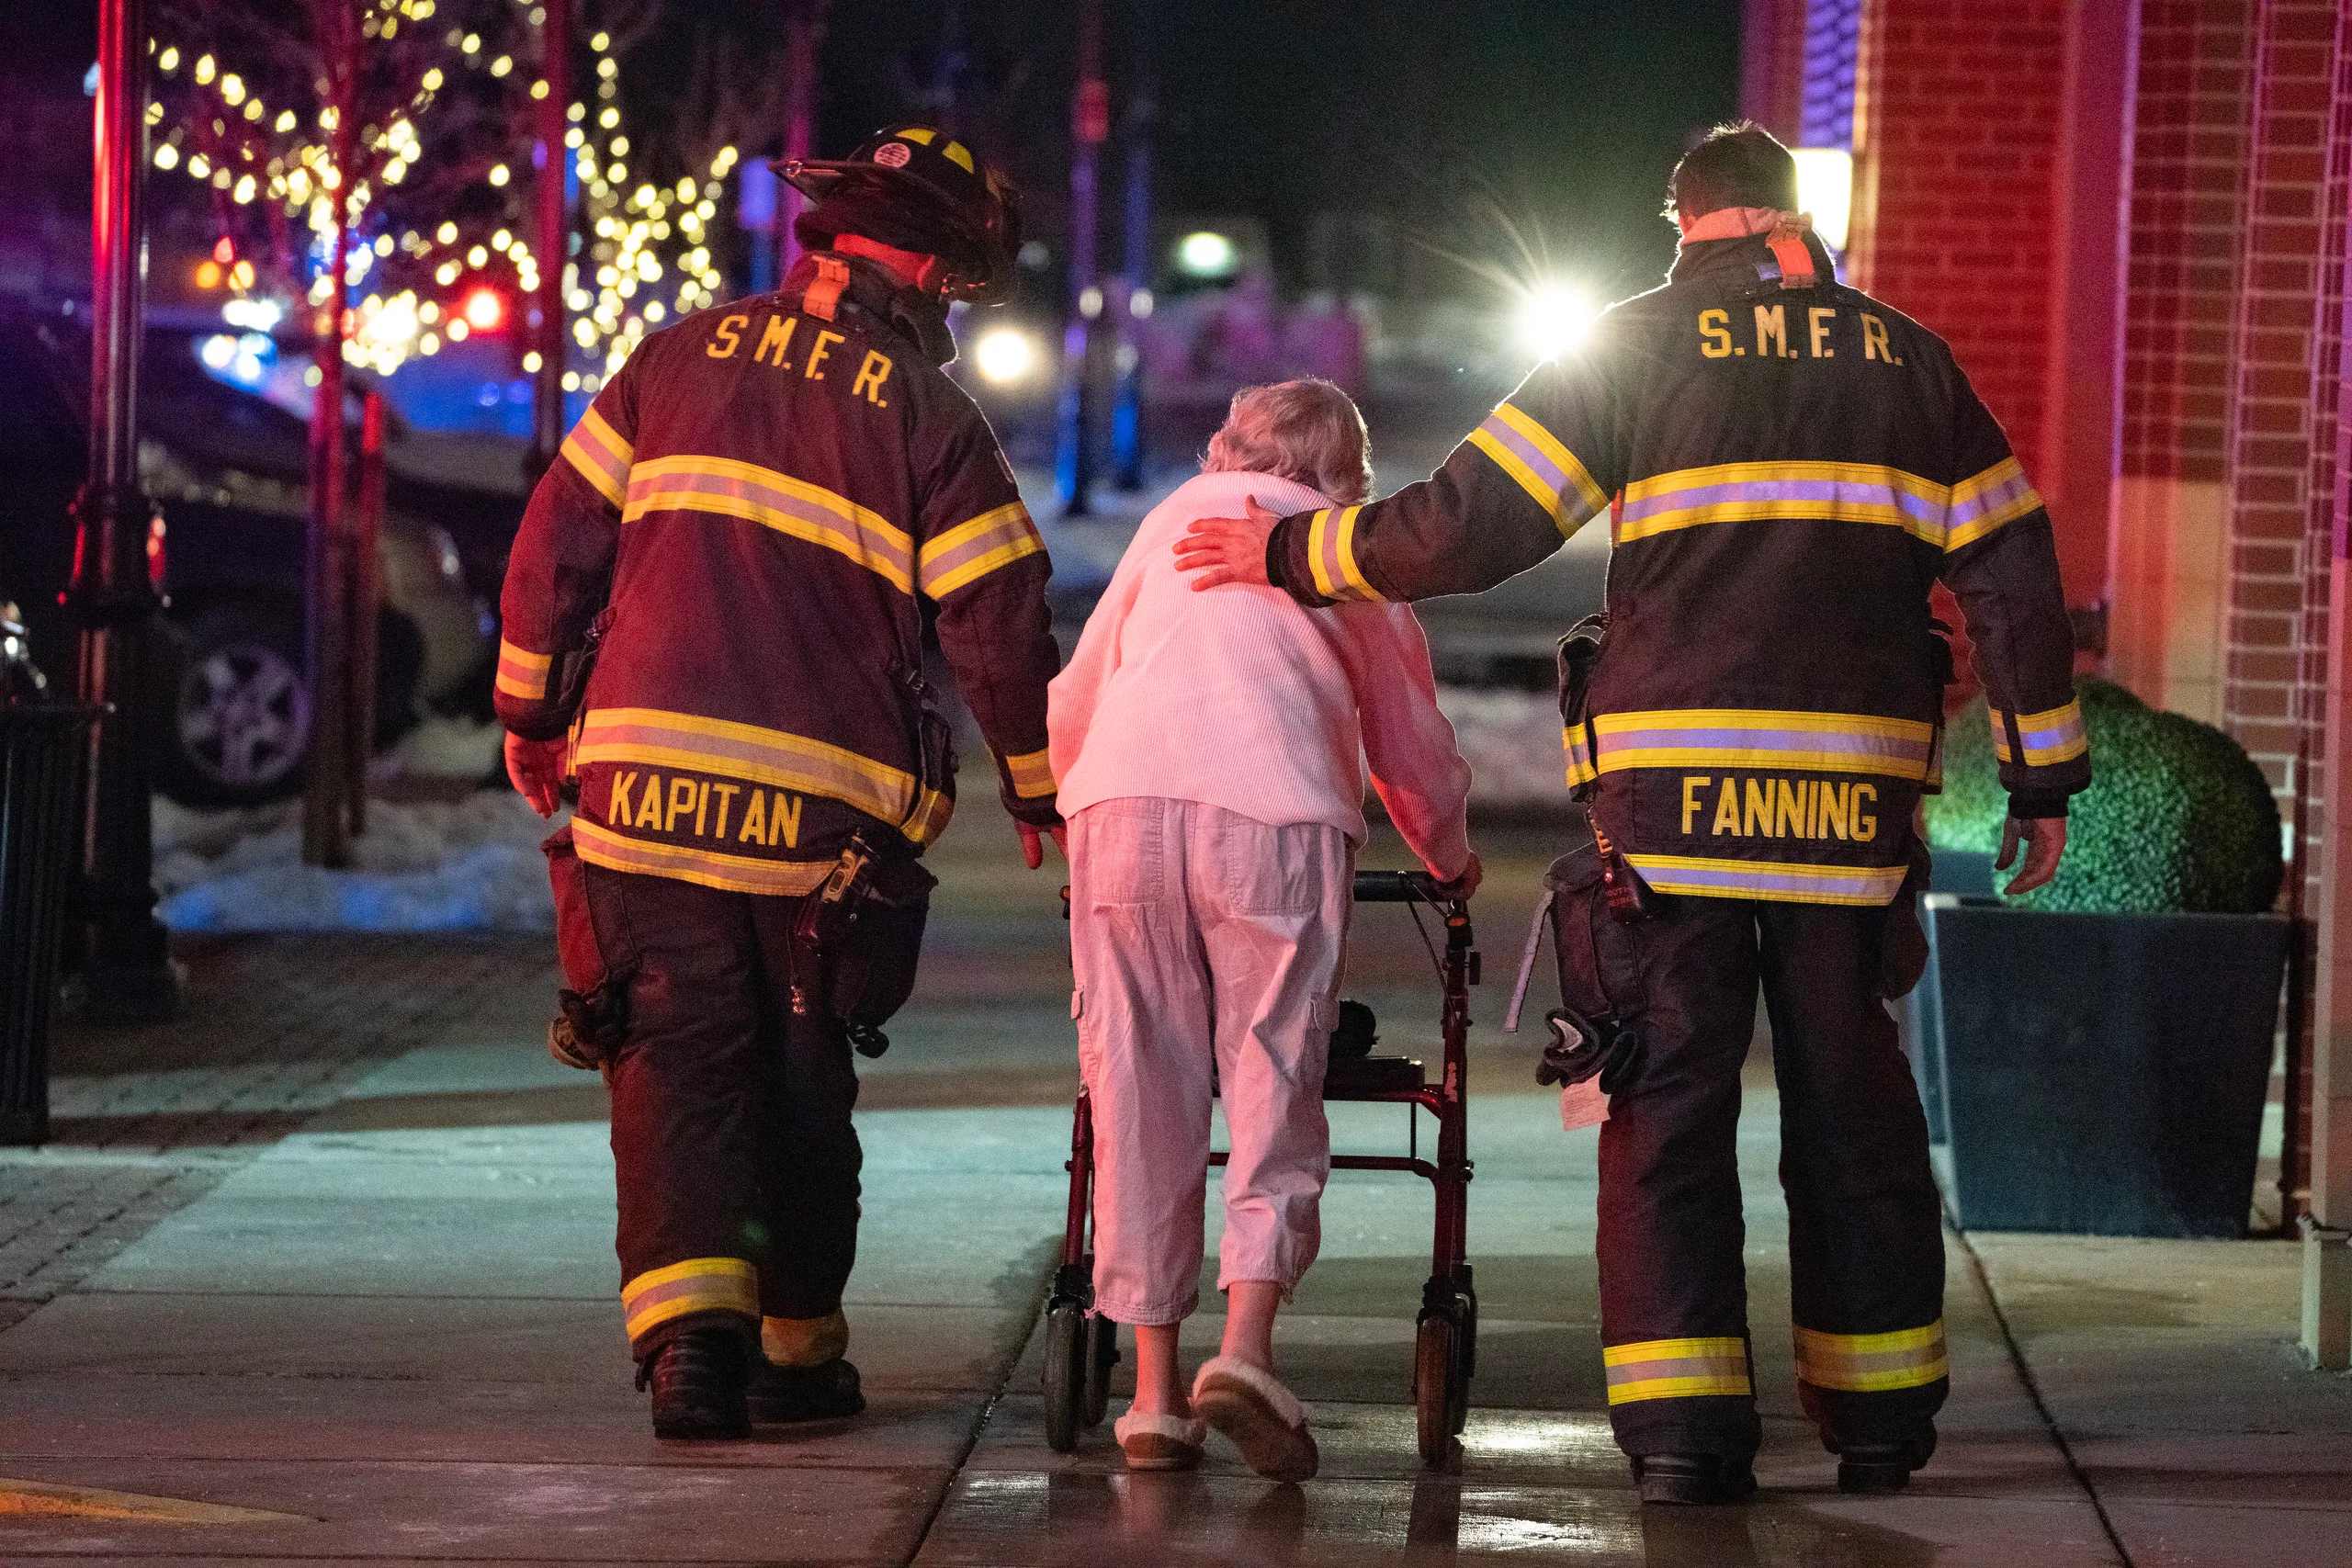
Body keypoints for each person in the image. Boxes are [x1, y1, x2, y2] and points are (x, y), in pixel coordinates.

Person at [1178, 124, 2087, 1503]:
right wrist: (2041, 772)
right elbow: (2012, 571)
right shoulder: (1911, 358)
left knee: (1665, 1106)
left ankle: (1683, 1437)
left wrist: (1292, 548)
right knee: (1857, 1105)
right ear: (1792, 217)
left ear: (1687, 219)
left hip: (1672, 811)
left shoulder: (1636, 341)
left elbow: (1474, 523)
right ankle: (1884, 1419)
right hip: (1850, 806)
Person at [497, 123, 1065, 1440]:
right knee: (803, 1069)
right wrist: (1037, 785)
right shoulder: (933, 416)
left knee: (673, 1056)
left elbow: (552, 546)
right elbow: (1000, 618)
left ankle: (692, 1349)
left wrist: (531, 712)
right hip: (823, 829)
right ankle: (798, 1353)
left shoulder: (674, 356)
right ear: (935, 271)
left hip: (639, 799)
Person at [1048, 379, 1478, 1482]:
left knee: (1137, 1086)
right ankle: (1243, 1353)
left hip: (1123, 810)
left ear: (1218, 449)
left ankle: (1148, 1398)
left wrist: (1071, 800)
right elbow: (1402, 730)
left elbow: (1078, 691)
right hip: (1273, 818)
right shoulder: (1343, 551)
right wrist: (1447, 855)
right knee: (1271, 1071)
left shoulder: (1165, 524)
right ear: (1349, 481)